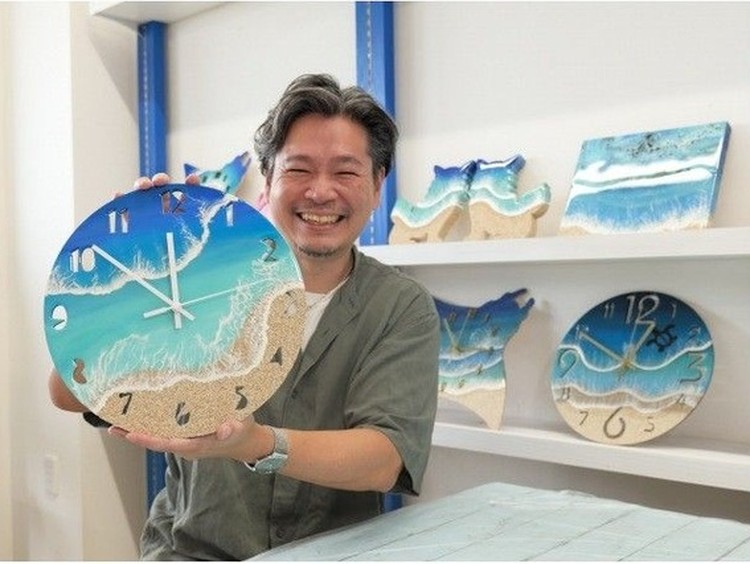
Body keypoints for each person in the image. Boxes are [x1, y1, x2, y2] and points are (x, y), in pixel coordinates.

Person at [48, 73, 440, 560]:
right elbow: (66, 392)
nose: (321, 192)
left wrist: (256, 444)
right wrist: (126, 267)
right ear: (269, 180)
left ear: (378, 185)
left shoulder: (399, 307)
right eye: (299, 169)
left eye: (345, 172)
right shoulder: (197, 276)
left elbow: (385, 459)